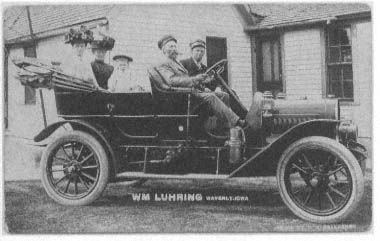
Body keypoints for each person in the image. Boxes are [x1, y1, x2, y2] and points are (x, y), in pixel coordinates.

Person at [154, 35, 246, 129]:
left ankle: (223, 128)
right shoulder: (163, 63)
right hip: (180, 97)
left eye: (175, 46)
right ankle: (238, 122)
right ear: (164, 49)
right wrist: (196, 79)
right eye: (171, 46)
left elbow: (185, 80)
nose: (174, 49)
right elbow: (171, 81)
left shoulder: (175, 63)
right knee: (211, 97)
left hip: (190, 92)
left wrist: (202, 83)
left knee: (224, 95)